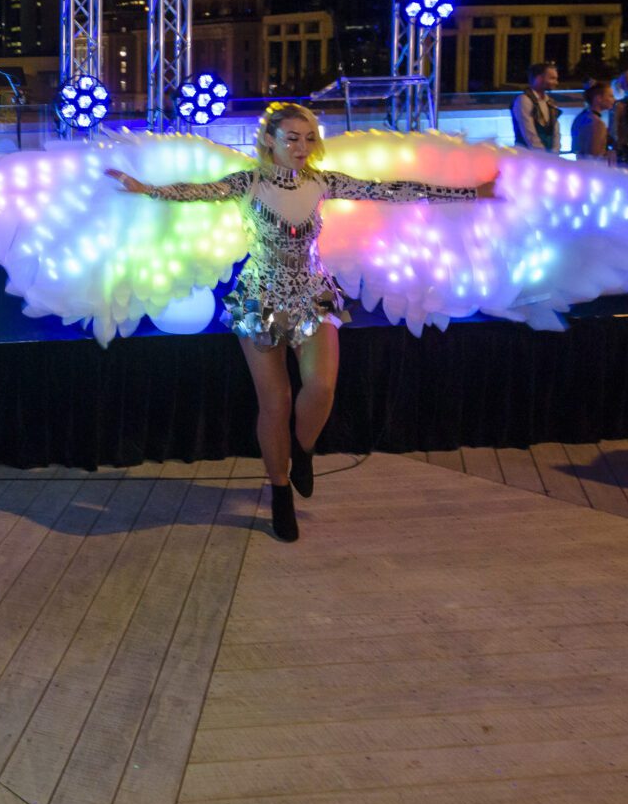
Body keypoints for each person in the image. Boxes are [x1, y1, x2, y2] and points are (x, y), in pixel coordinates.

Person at [105, 103, 492, 543]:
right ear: (269, 140)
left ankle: (303, 450)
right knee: (276, 402)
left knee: (322, 387)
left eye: (309, 138)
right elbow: (196, 191)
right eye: (292, 138)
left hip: (314, 295)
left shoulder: (323, 182)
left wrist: (470, 194)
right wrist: (145, 189)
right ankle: (280, 490)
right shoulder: (248, 182)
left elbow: (391, 190)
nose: (302, 147)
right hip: (262, 299)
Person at [512, 63, 561, 152]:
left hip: (546, 156)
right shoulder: (524, 100)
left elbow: (556, 132)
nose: (556, 83)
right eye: (552, 78)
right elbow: (529, 133)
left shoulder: (550, 102)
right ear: (539, 78)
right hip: (527, 156)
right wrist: (543, 155)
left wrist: (555, 151)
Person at [570, 80, 615, 160]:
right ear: (598, 98)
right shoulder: (597, 123)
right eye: (610, 96)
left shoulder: (580, 118)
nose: (614, 100)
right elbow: (594, 156)